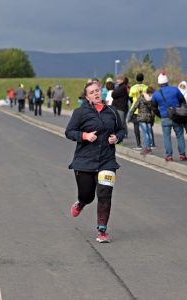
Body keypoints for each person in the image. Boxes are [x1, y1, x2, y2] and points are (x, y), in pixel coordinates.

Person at [65, 81, 125, 243]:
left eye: (97, 91)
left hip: (107, 160)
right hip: (85, 160)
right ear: (86, 97)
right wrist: (85, 136)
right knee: (88, 195)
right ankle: (81, 202)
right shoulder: (80, 112)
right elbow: (69, 132)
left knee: (105, 195)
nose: (96, 94)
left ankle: (102, 231)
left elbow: (121, 130)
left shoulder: (112, 111)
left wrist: (116, 138)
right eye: (92, 92)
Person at [151, 72, 187, 162]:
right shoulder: (175, 89)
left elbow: (153, 108)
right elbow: (183, 102)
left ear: (159, 83)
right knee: (179, 136)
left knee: (167, 137)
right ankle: (182, 154)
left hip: (164, 117)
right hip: (176, 116)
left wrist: (160, 115)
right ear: (167, 81)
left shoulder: (156, 94)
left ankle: (169, 156)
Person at [129, 86, 155, 155]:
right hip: (148, 117)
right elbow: (152, 110)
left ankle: (148, 148)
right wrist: (152, 119)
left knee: (145, 133)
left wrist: (130, 116)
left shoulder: (141, 97)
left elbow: (134, 107)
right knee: (149, 132)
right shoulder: (151, 99)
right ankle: (150, 146)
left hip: (141, 117)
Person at [129, 73, 149, 149]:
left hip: (136, 109)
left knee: (136, 127)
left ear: (136, 79)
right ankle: (148, 144)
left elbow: (130, 97)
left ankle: (138, 144)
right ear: (142, 79)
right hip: (144, 109)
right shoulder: (146, 87)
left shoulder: (133, 88)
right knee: (145, 127)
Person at [111, 74, 129, 140]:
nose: (117, 80)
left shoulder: (122, 87)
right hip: (121, 107)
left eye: (118, 79)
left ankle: (121, 136)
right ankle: (124, 134)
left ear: (122, 80)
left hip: (120, 107)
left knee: (120, 122)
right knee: (122, 121)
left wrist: (114, 91)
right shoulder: (122, 87)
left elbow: (114, 94)